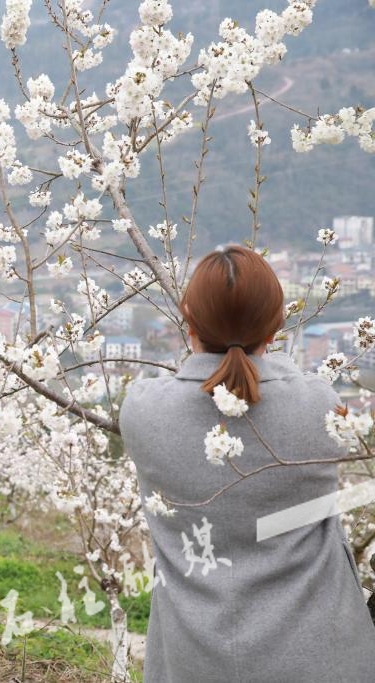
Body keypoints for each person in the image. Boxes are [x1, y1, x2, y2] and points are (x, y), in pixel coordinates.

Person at [120, 244, 375, 681]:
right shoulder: (319, 408)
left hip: (192, 662)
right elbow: (281, 380)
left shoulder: (143, 412)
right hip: (322, 659)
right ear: (276, 327)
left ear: (188, 320)